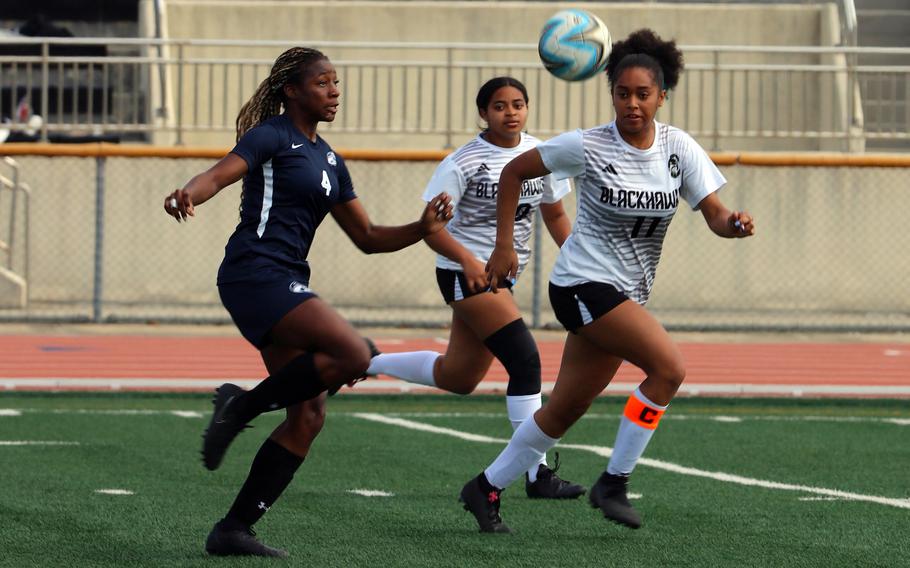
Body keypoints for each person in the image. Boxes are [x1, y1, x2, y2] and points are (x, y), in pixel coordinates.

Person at [458, 29, 756, 533]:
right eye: (623, 93)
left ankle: (484, 486)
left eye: (643, 94)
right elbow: (513, 173)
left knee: (566, 408)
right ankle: (614, 482)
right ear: (611, 93)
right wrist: (503, 245)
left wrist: (734, 225)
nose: (632, 103)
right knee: (668, 368)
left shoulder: (677, 148)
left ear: (662, 96)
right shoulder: (587, 145)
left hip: (623, 293)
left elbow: (715, 213)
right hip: (581, 284)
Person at [163, 47, 453, 557]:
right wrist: (188, 192)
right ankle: (243, 405)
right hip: (254, 273)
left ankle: (233, 529)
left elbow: (367, 236)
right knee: (354, 352)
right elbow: (218, 174)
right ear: (291, 90)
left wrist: (421, 229)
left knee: (309, 416)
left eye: (336, 83)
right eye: (323, 83)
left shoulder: (331, 160)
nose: (334, 91)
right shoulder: (271, 135)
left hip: (285, 279)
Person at [364, 77, 584, 500]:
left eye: (518, 104)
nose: (511, 113)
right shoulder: (463, 162)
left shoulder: (540, 154)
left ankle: (365, 361)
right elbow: (432, 229)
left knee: (459, 375)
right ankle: (535, 474)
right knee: (525, 361)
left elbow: (555, 214)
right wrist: (469, 260)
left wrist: (577, 258)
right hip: (464, 274)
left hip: (502, 277)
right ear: (483, 113)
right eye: (499, 106)